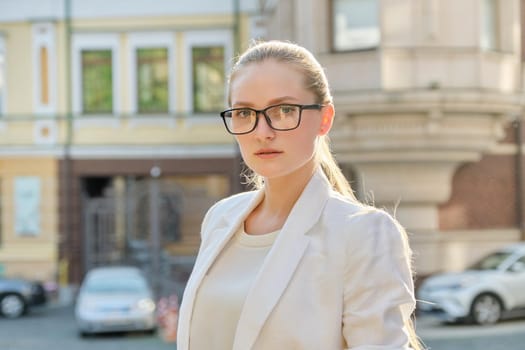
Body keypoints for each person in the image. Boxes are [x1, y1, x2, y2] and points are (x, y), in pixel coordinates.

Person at [177, 40, 423, 350]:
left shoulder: (363, 233)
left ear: (324, 118)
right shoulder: (219, 219)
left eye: (283, 110)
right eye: (244, 112)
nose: (262, 131)